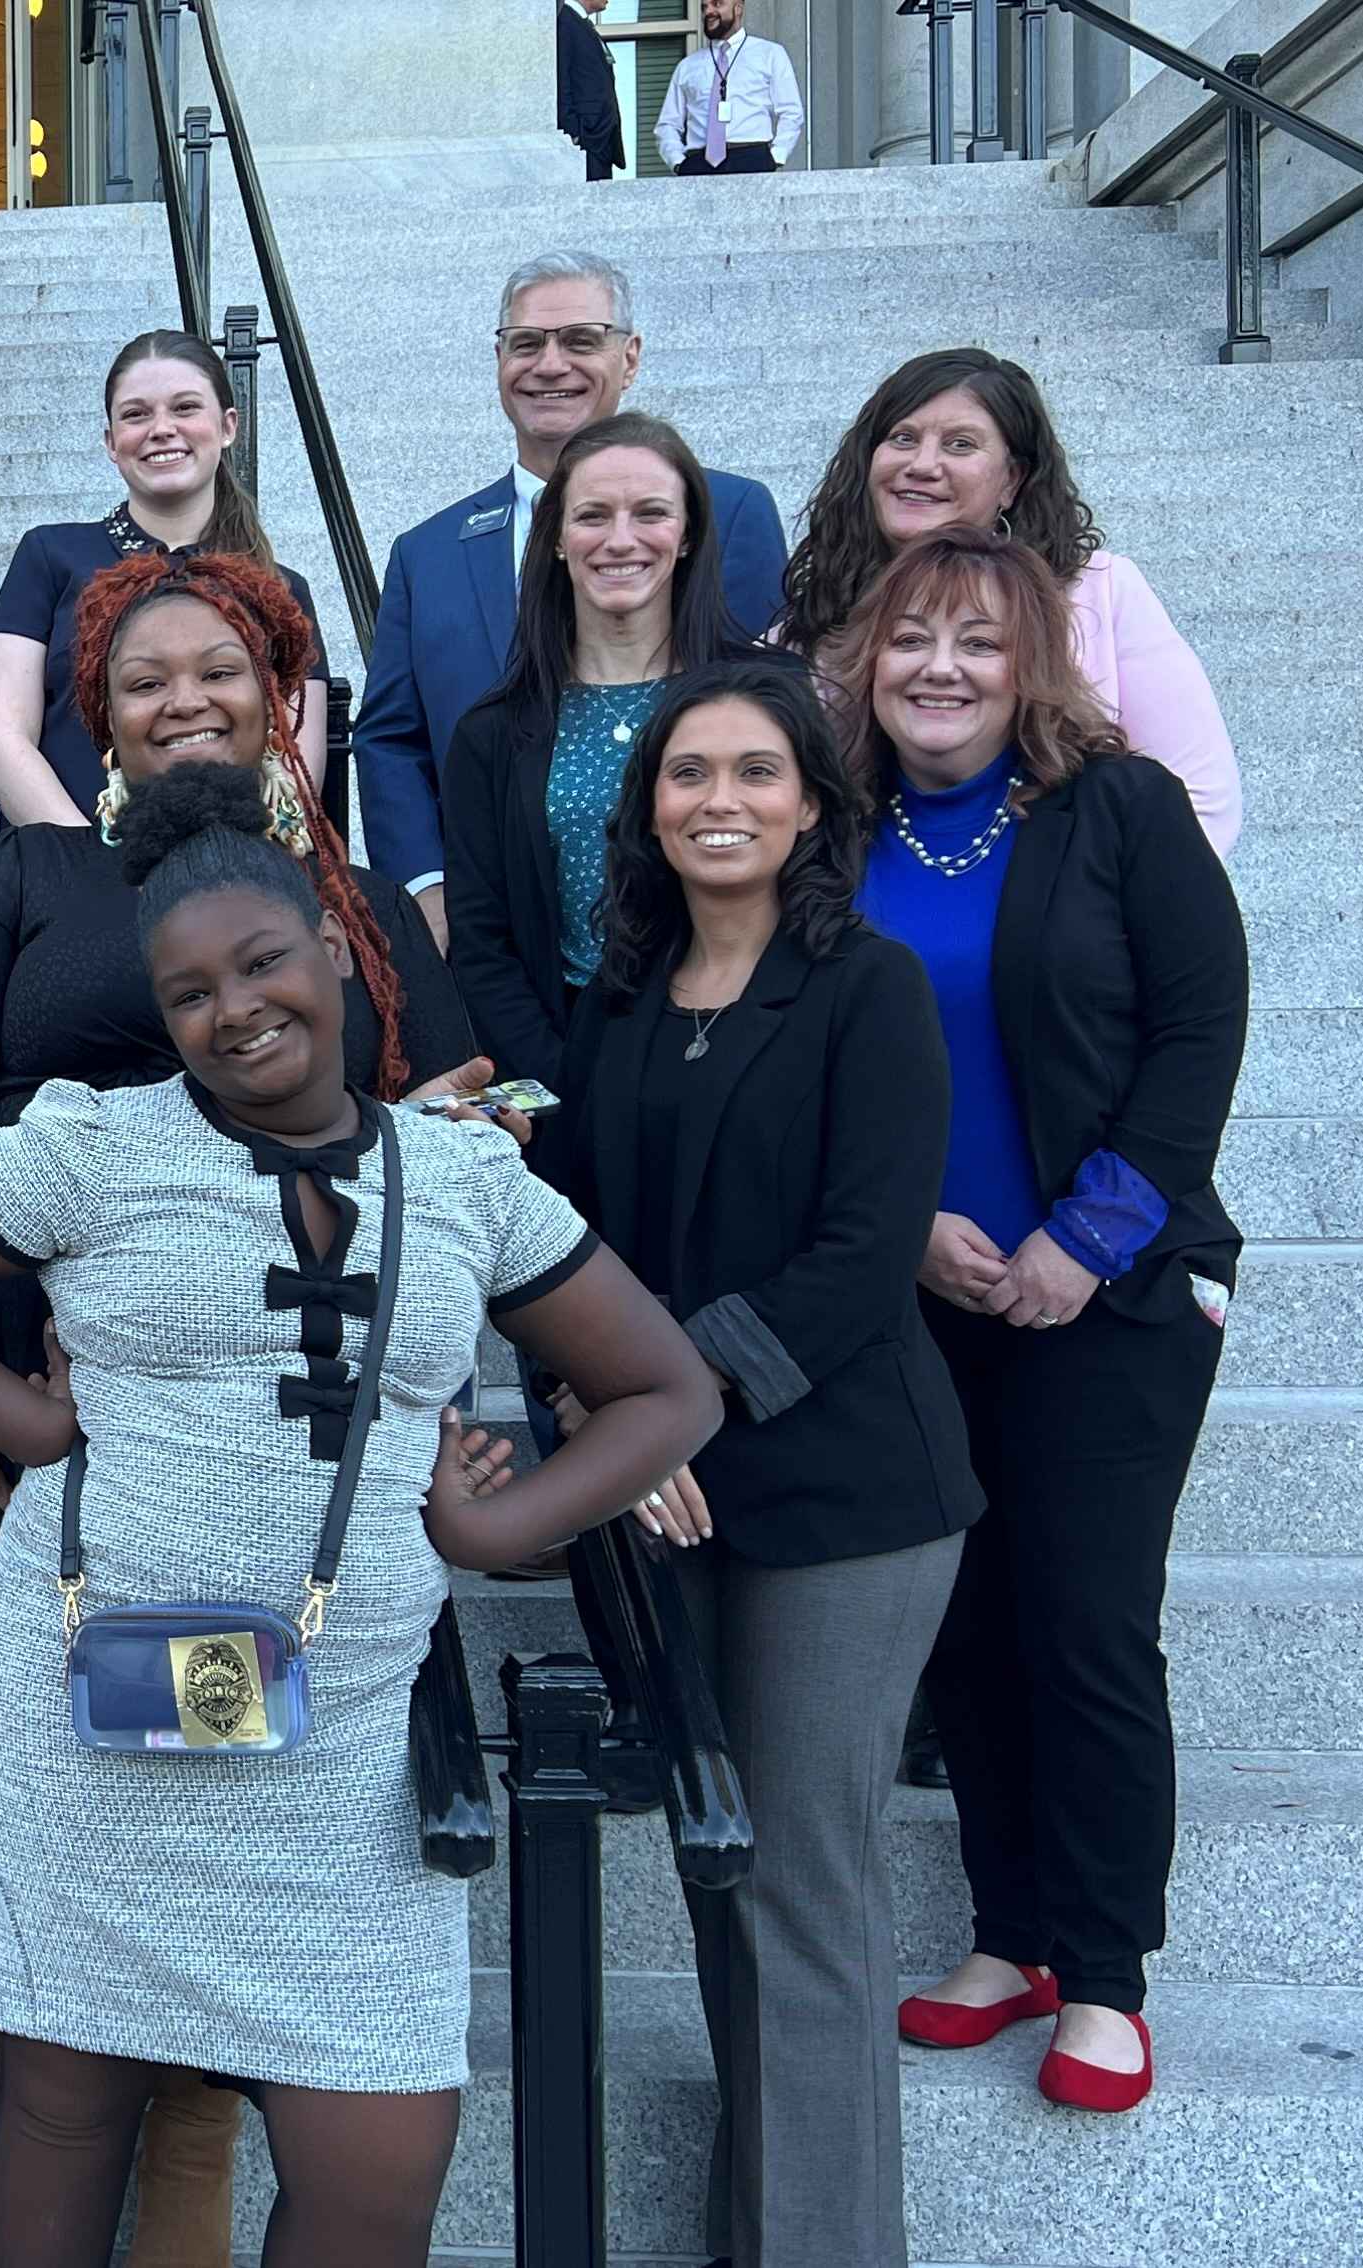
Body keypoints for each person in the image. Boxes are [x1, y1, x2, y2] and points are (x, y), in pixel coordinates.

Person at [0, 761, 723, 2268]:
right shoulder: (91, 1146)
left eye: (259, 964)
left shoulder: (464, 1175)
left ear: (333, 944)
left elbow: (667, 1390)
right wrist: (29, 1421)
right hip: (89, 1719)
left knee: (379, 2162)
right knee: (64, 2115)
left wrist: (497, 1533)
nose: (234, 1012)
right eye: (189, 995)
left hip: (344, 1746)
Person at [0, 548, 479, 2268]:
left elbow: (448, 1114)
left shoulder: (346, 895)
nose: (183, 699)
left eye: (218, 669)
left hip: (288, 1458)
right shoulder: (23, 878)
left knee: (239, 1781)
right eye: (143, 680)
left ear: (279, 694)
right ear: (95, 715)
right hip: (25, 1417)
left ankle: (185, 2227)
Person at [535, 657, 978, 2268]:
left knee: (798, 1886)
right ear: (647, 810)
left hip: (845, 1497)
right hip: (669, 1494)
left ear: (811, 808)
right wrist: (599, 1403)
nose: (719, 801)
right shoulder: (621, 1001)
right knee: (724, 1874)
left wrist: (660, 1401)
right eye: (688, 774)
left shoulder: (870, 988)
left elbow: (863, 1257)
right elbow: (566, 1245)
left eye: (755, 774)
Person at [840, 530, 1247, 2118]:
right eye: (912, 640)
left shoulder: (1120, 809)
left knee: (1084, 1623)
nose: (940, 670)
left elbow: (1199, 1032)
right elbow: (821, 1058)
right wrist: (900, 1235)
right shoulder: (835, 832)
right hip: (923, 1297)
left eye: (979, 644)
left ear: (1035, 669)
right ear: (869, 665)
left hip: (1114, 1294)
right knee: (964, 1621)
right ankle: (1008, 1939)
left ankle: (1105, 1973)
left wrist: (1086, 1235)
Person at [350, 254, 789, 942]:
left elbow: (770, 711)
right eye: (526, 343)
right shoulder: (426, 552)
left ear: (630, 356)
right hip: (491, 938)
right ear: (499, 360)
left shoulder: (730, 514)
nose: (550, 365)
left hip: (696, 924)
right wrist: (427, 891)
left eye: (581, 340)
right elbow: (391, 740)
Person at [777, 346, 1241, 852]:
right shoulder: (811, 622)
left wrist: (1083, 894)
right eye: (903, 438)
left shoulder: (1101, 592)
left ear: (1012, 480)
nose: (922, 464)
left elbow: (1199, 798)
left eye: (959, 444)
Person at [439, 412, 746, 1085]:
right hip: (572, 1058)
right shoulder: (492, 734)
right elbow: (483, 946)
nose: (621, 539)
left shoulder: (762, 702)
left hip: (742, 1053)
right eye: (593, 516)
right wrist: (572, 1083)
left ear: (688, 534)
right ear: (556, 539)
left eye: (651, 513)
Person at [0, 330, 332, 827]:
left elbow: (295, 766)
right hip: (65, 861)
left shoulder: (280, 588)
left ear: (228, 426)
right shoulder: (47, 556)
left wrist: (222, 867)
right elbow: (2, 741)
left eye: (185, 408)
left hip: (236, 866)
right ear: (111, 442)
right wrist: (86, 859)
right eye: (136, 414)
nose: (162, 429)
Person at [657, 0, 802, 175]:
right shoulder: (687, 66)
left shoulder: (770, 54)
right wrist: (678, 163)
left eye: (717, 4)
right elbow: (668, 124)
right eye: (704, 7)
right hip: (698, 163)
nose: (708, 12)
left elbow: (791, 112)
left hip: (752, 159)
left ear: (738, 8)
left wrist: (776, 156)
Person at [557, 0, 624, 180]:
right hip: (587, 141)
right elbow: (561, 79)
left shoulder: (582, 24)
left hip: (601, 140)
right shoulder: (565, 22)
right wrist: (575, 133)